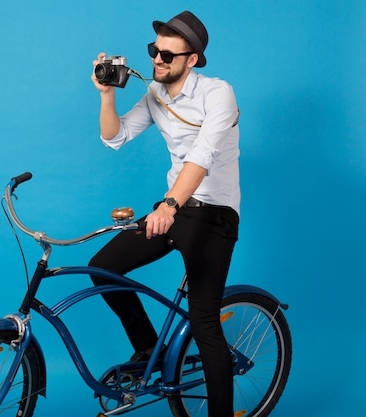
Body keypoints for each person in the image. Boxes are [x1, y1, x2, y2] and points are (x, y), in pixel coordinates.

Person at [89, 11, 240, 417]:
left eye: (168, 55)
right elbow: (115, 137)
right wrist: (107, 95)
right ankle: (147, 349)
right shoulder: (155, 93)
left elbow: (203, 157)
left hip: (213, 212)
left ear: (192, 59)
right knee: (102, 268)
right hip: (173, 206)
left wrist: (170, 205)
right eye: (154, 51)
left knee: (203, 320)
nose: (158, 60)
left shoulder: (217, 93)